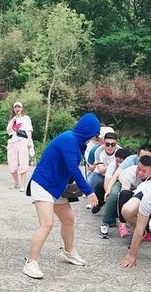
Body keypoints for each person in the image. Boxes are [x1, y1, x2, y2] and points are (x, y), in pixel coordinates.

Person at [24, 113, 100, 279]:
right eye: (94, 134)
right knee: (47, 224)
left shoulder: (77, 142)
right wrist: (88, 191)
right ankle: (31, 263)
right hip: (43, 184)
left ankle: (68, 252)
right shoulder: (69, 140)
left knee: (68, 219)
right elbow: (73, 168)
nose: (94, 138)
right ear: (87, 131)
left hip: (57, 186)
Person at [100, 155, 151, 239]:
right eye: (138, 169)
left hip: (140, 191)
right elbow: (123, 195)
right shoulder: (129, 173)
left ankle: (148, 229)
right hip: (122, 185)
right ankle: (117, 223)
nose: (140, 172)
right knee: (115, 195)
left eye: (144, 171)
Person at [6, 101, 33, 189]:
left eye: (19, 107)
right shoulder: (12, 119)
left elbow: (29, 130)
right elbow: (8, 131)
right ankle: (16, 183)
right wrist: (13, 119)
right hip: (12, 142)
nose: (17, 108)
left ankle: (22, 185)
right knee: (12, 164)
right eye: (15, 107)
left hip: (23, 141)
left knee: (23, 162)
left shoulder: (26, 118)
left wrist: (29, 142)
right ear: (13, 109)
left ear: (22, 108)